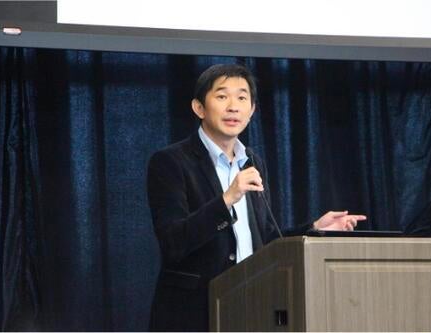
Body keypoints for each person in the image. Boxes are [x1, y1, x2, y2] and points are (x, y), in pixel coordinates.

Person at [147, 64, 366, 331]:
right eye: (222, 96)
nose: (233, 106)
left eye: (242, 98)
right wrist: (227, 199)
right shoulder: (170, 162)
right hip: (193, 313)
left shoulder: (252, 162)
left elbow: (265, 240)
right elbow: (173, 242)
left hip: (250, 306)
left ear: (251, 111)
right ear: (199, 108)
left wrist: (315, 229)